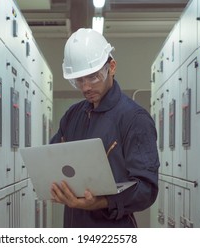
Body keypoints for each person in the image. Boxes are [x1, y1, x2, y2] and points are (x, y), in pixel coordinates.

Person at [49, 28, 160, 228]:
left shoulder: (135, 119)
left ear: (112, 67)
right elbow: (53, 159)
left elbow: (147, 190)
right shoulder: (72, 115)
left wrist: (101, 202)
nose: (85, 88)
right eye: (79, 80)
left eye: (92, 77)